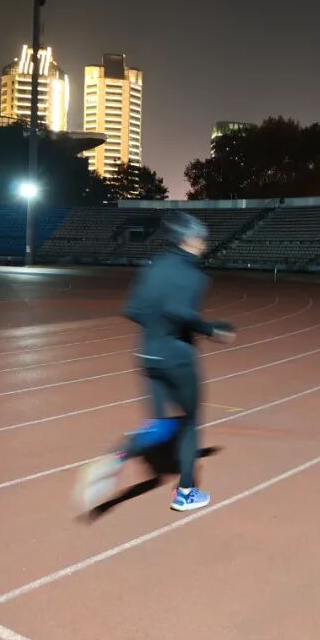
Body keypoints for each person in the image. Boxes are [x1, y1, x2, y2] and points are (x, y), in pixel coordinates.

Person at [77, 212, 236, 514]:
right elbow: (179, 311)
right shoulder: (194, 276)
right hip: (178, 358)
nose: (204, 245)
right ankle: (186, 492)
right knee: (189, 423)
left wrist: (157, 328)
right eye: (202, 239)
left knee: (161, 426)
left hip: (147, 355)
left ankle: (116, 457)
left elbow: (133, 309)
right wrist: (210, 329)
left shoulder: (154, 267)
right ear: (188, 240)